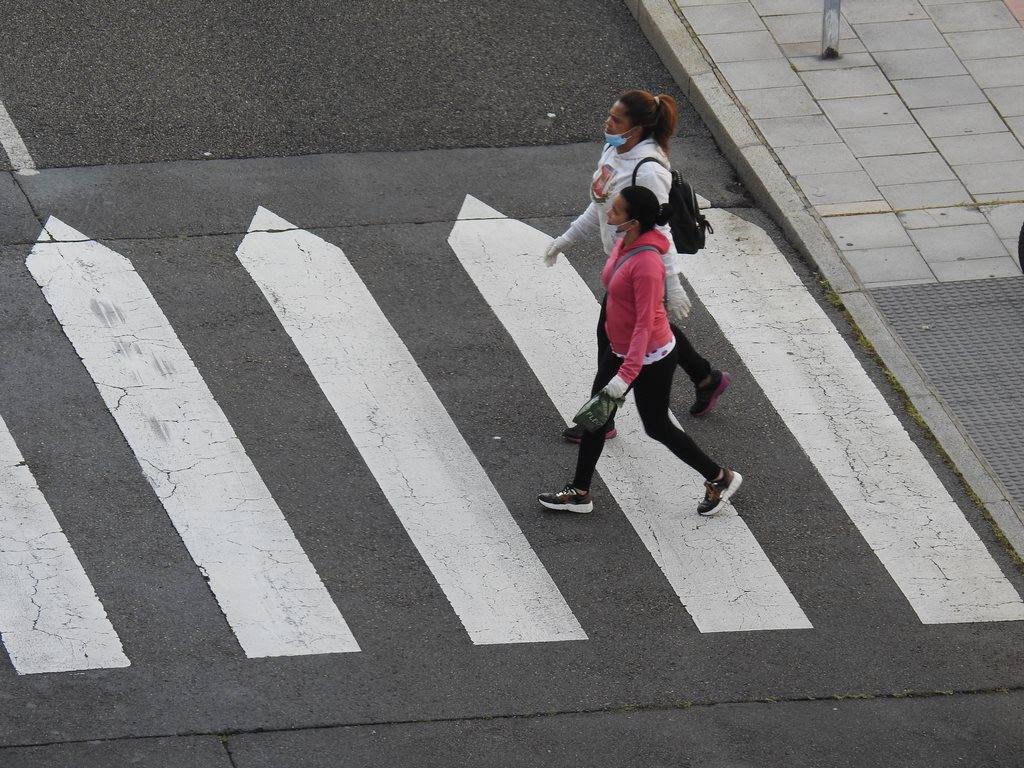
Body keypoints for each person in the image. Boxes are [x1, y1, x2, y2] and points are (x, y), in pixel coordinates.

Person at [538, 187, 742, 517]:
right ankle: (579, 492)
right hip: (620, 349)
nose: (609, 214)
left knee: (656, 425)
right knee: (597, 417)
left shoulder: (647, 264)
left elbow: (645, 326)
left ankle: (720, 477)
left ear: (633, 221)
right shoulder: (625, 240)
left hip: (651, 357)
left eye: (616, 211)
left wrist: (625, 375)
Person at [544, 89, 730, 444]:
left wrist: (672, 285)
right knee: (648, 333)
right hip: (619, 262)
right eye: (610, 115)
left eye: (617, 120)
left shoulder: (648, 171)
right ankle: (706, 377)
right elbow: (600, 204)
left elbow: (661, 229)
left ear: (638, 127)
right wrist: (566, 239)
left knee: (611, 341)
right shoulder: (614, 151)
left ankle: (600, 420)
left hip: (639, 267)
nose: (608, 123)